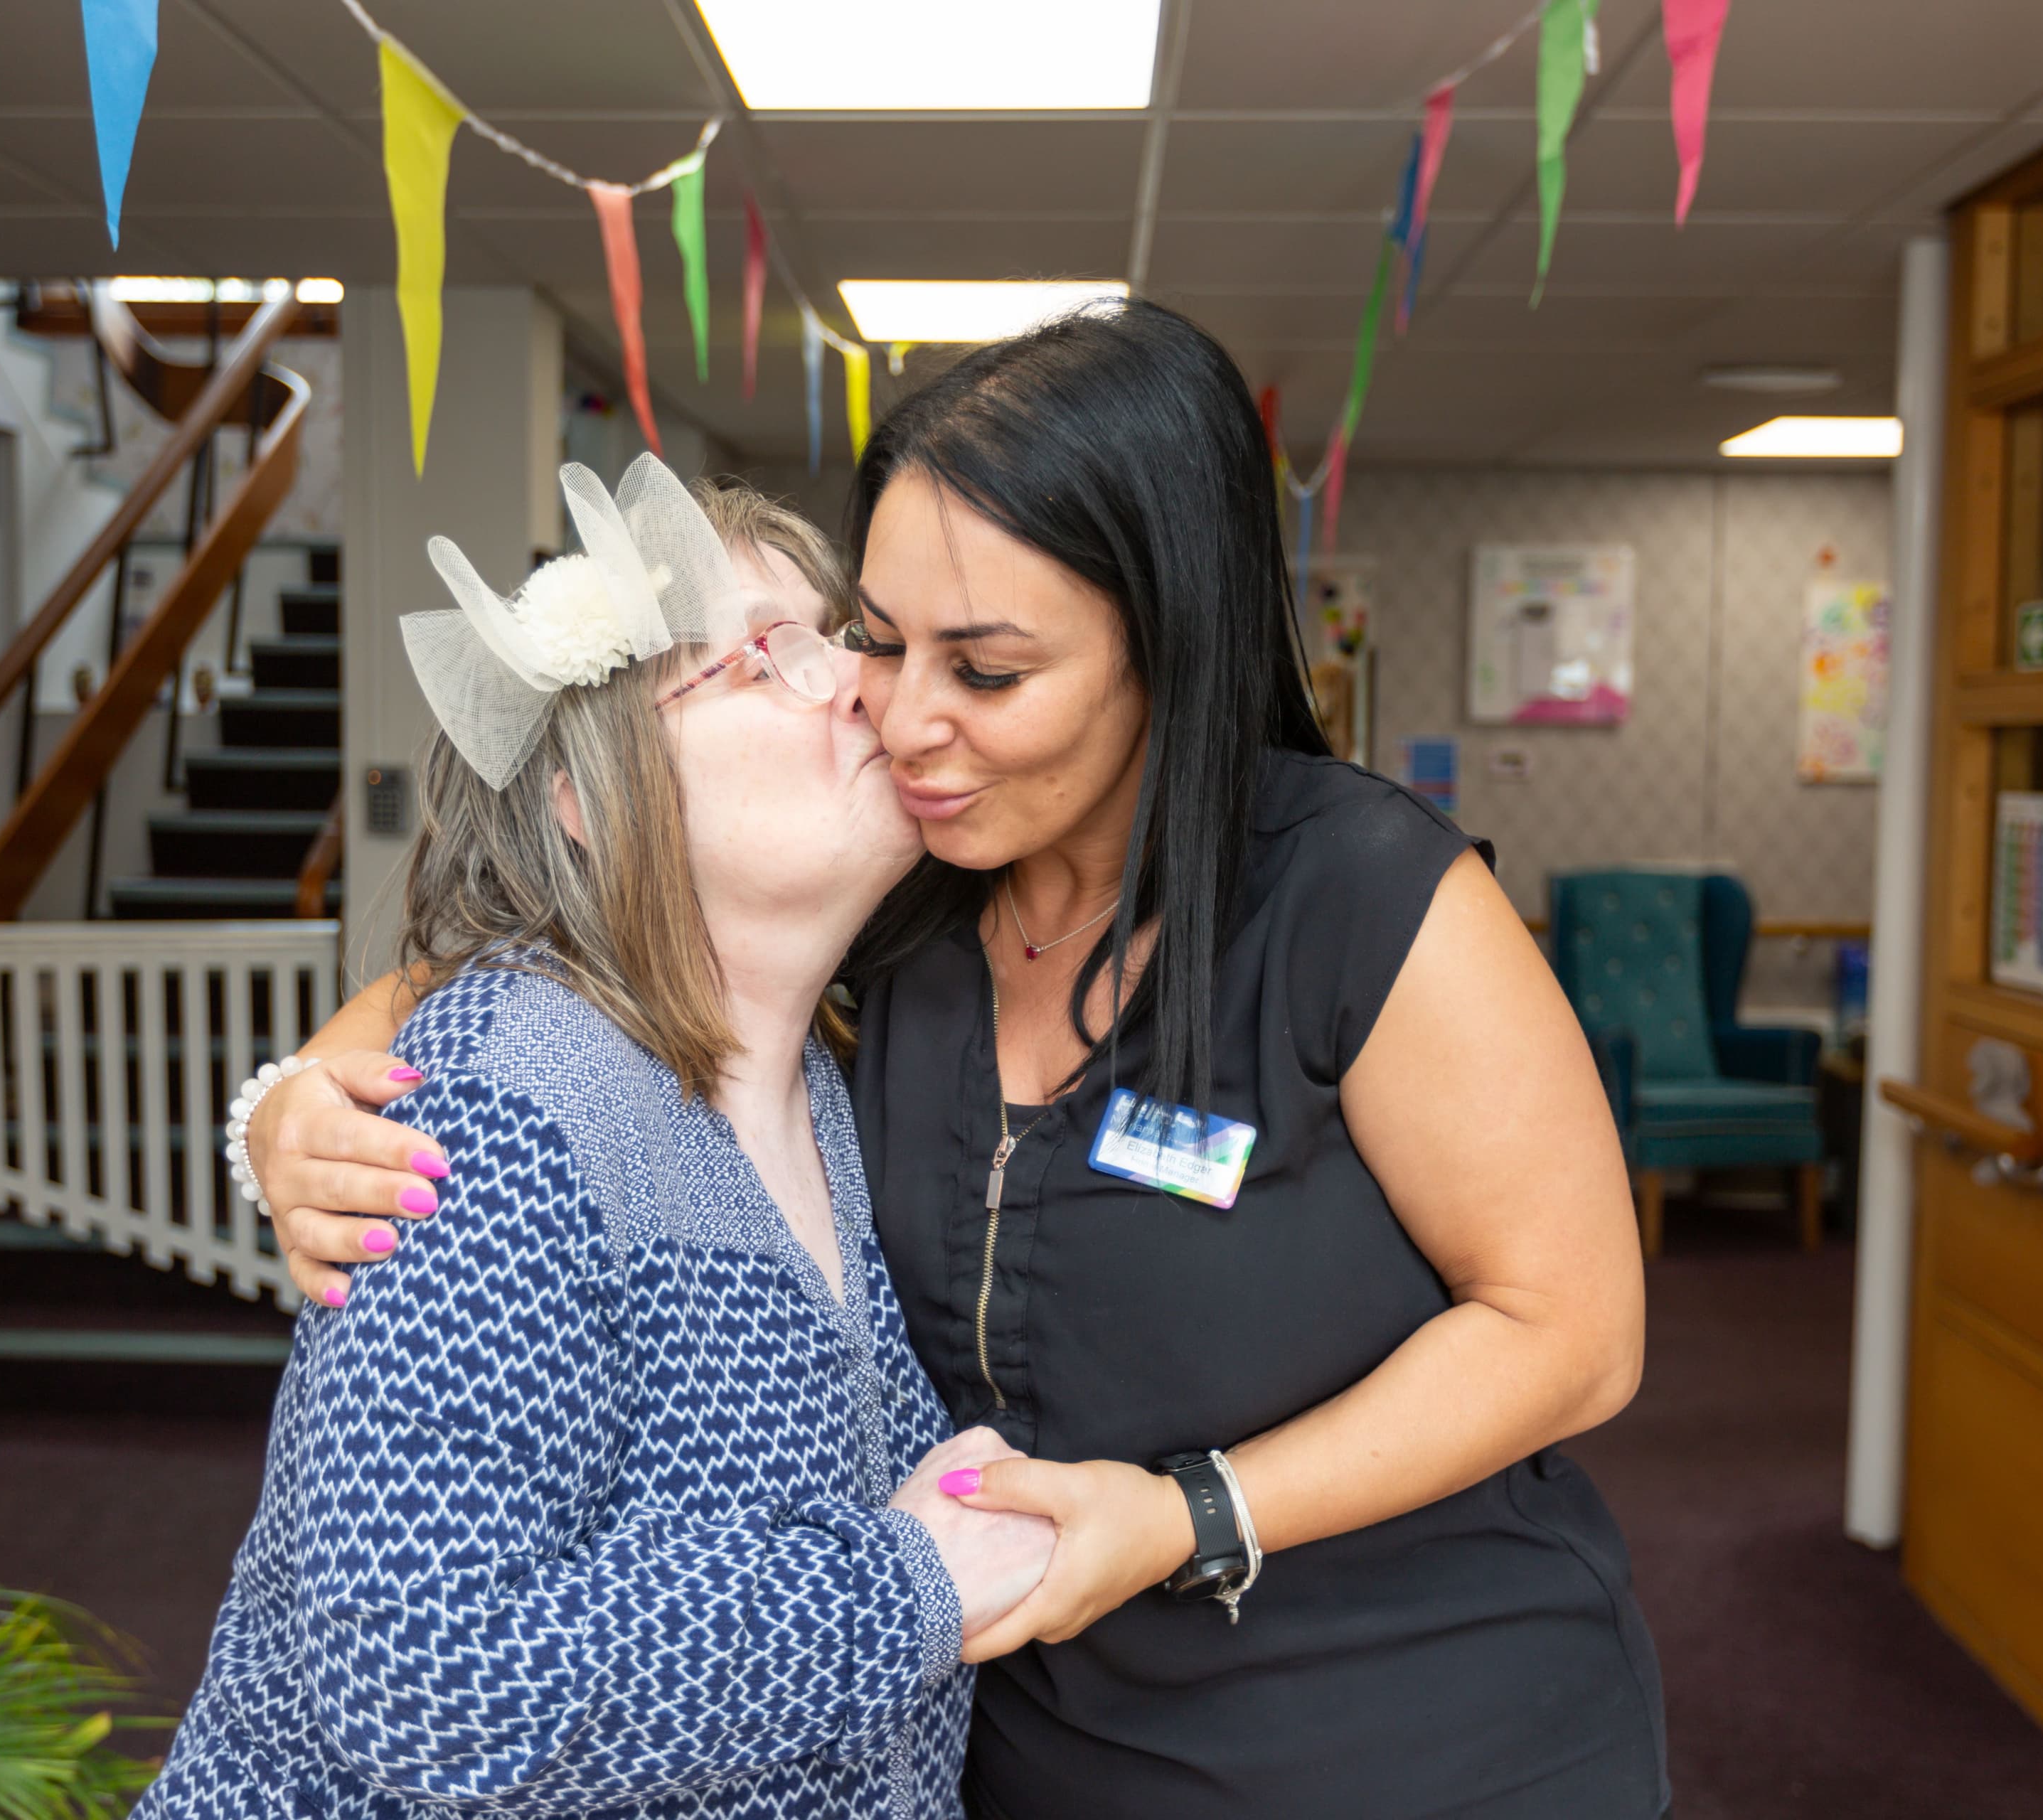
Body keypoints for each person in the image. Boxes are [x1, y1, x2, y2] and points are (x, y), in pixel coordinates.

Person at [247, 303, 1669, 1819]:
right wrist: (289, 1103)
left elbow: (1573, 1330)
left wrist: (1193, 1510)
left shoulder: (1357, 898)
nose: (900, 713)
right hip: (1036, 1747)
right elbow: (549, 945)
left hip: (1413, 1739)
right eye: (877, 637)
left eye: (984, 670)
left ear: (1166, 650)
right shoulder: (904, 894)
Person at [137, 458, 1055, 1820]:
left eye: (838, 643)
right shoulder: (506, 1104)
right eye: (764, 659)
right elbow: (420, 1674)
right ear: (585, 794)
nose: (859, 686)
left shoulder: (828, 1077)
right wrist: (907, 1585)